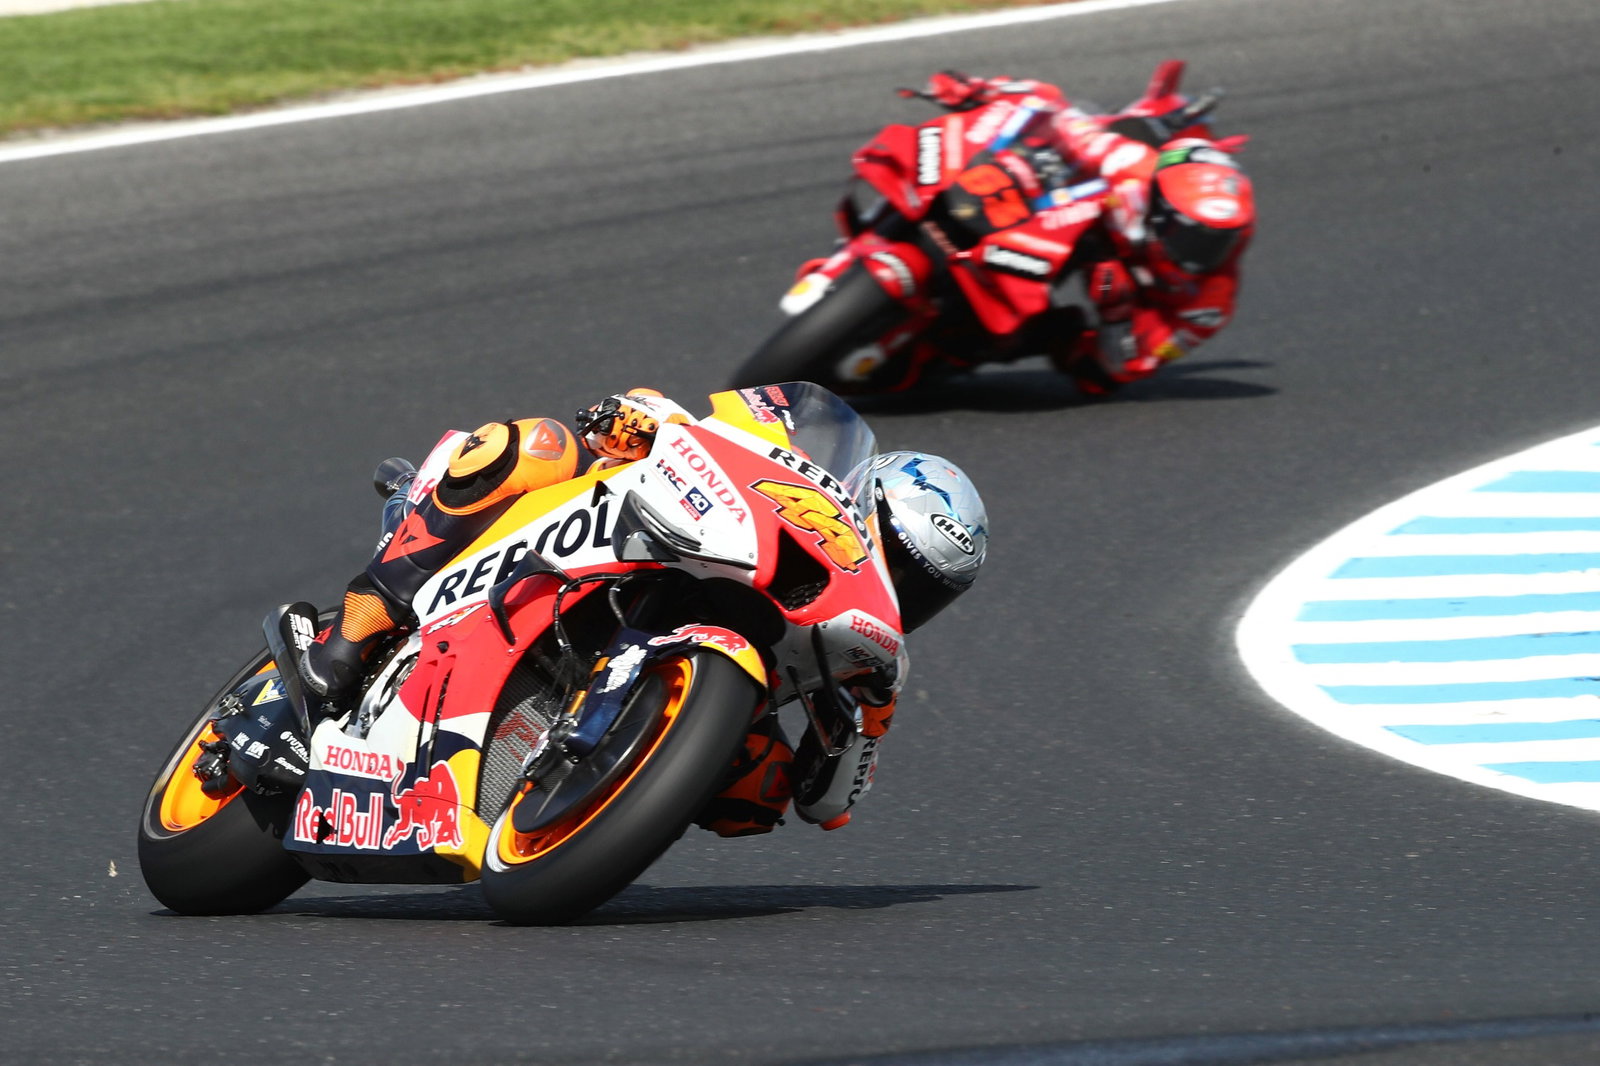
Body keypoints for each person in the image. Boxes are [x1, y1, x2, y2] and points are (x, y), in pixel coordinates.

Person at [295, 389, 989, 835]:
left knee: (758, 792)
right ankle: (356, 626)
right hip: (603, 546)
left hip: (720, 665)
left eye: (925, 590)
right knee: (535, 445)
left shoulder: (872, 665)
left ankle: (593, 795)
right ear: (862, 504)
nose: (900, 589)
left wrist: (855, 728)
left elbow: (826, 803)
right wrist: (638, 419)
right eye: (895, 558)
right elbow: (697, 420)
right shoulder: (797, 485)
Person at [917, 69, 1256, 395]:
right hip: (1071, 220)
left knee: (1090, 371)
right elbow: (1064, 116)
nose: (1200, 252)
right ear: (1160, 205)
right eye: (1188, 234)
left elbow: (1130, 363)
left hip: (1113, 288)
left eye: (1218, 241)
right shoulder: (1133, 164)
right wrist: (982, 91)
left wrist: (1115, 314)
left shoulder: (1208, 306)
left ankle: (967, 341)